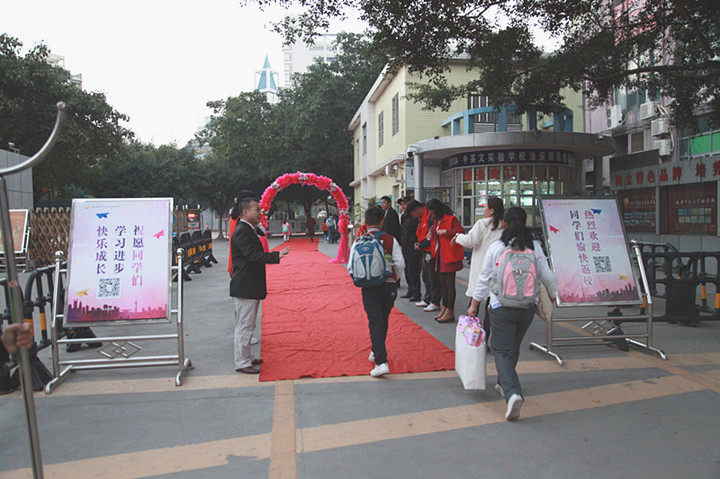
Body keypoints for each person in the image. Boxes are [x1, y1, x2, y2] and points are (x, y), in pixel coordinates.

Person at [467, 206, 558, 421]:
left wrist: (474, 304)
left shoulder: (497, 247)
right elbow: (547, 275)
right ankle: (503, 383)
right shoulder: (534, 246)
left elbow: (484, 279)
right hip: (527, 306)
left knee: (501, 350)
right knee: (513, 347)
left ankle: (512, 393)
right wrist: (554, 296)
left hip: (501, 307)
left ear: (504, 223)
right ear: (525, 222)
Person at [230, 193, 290, 374]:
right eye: (256, 210)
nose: (260, 213)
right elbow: (252, 255)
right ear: (245, 212)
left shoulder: (249, 229)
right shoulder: (242, 231)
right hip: (245, 285)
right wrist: (275, 256)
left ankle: (247, 356)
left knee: (249, 324)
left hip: (250, 285)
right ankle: (242, 361)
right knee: (244, 325)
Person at [347, 205, 404, 377]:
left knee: (375, 322)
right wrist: (394, 279)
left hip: (369, 287)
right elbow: (400, 264)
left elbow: (350, 267)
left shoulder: (359, 241)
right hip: (388, 286)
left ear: (365, 222)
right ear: (382, 221)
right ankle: (376, 350)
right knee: (383, 319)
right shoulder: (391, 240)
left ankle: (381, 361)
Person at [451, 196, 504, 335]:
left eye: (486, 207)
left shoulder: (483, 224)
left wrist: (458, 237)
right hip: (498, 269)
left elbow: (469, 241)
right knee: (491, 306)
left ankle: (471, 336)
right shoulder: (504, 225)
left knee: (475, 302)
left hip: (482, 267)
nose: (484, 209)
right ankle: (488, 336)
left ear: (491, 210)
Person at [426, 199, 465, 323]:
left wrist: (446, 232)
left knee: (449, 284)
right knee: (442, 283)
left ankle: (450, 310)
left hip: (449, 254)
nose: (431, 216)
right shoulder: (437, 221)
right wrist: (432, 233)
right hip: (440, 254)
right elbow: (437, 232)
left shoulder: (451, 219)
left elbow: (461, 231)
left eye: (432, 213)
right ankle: (445, 308)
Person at [408, 200, 441, 312]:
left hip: (431, 250)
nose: (414, 217)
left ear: (418, 209)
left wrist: (422, 245)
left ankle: (435, 301)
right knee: (426, 276)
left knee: (433, 277)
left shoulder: (429, 217)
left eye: (413, 214)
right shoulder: (422, 218)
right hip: (424, 250)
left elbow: (430, 235)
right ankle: (428, 298)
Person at [399, 197, 422, 301]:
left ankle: (416, 292)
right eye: (401, 205)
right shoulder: (404, 217)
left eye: (404, 204)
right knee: (407, 270)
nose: (403, 206)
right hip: (405, 246)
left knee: (413, 270)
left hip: (413, 247)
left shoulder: (414, 217)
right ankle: (410, 290)